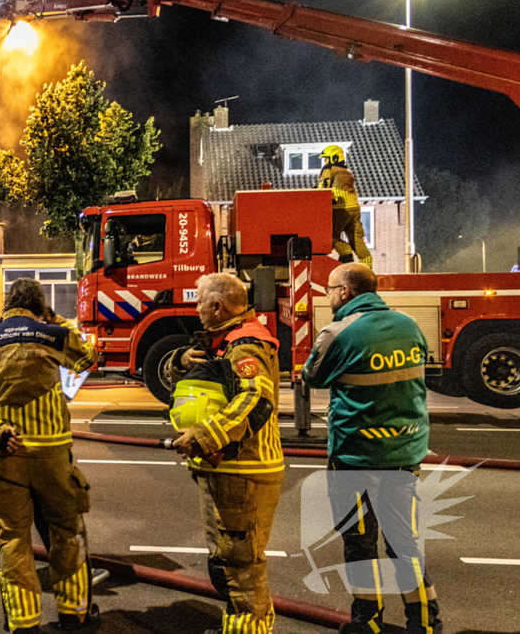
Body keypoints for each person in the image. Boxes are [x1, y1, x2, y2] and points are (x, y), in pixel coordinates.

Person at [302, 264, 442, 634]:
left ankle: (368, 622)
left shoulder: (338, 332)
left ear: (346, 292)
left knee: (360, 544)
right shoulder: (410, 325)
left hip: (355, 457)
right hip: (404, 454)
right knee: (404, 542)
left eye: (330, 289)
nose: (328, 296)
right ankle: (425, 624)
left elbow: (312, 376)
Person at [0, 279, 98, 633]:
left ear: (6, 305)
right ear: (40, 305)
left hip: (6, 456)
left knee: (15, 540)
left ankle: (22, 622)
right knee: (65, 532)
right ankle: (74, 614)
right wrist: (57, 321)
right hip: (52, 454)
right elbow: (90, 357)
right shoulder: (53, 334)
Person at [165, 273, 283, 634]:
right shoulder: (224, 341)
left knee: (240, 567)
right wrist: (181, 361)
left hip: (244, 471)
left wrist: (204, 436)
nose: (195, 306)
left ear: (217, 306)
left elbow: (254, 399)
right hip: (227, 468)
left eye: (199, 300)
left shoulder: (245, 345)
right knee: (225, 565)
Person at [0, 307, 109, 588]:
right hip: (26, 441)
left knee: (0, 502)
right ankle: (69, 574)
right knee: (43, 507)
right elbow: (87, 355)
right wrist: (57, 321)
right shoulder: (40, 337)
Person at [317, 145, 372, 269]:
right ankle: (367, 269)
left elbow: (323, 189)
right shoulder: (347, 172)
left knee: (328, 235)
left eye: (326, 159)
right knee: (356, 239)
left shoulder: (329, 169)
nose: (325, 161)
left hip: (339, 208)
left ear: (334, 158)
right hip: (354, 209)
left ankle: (345, 253)